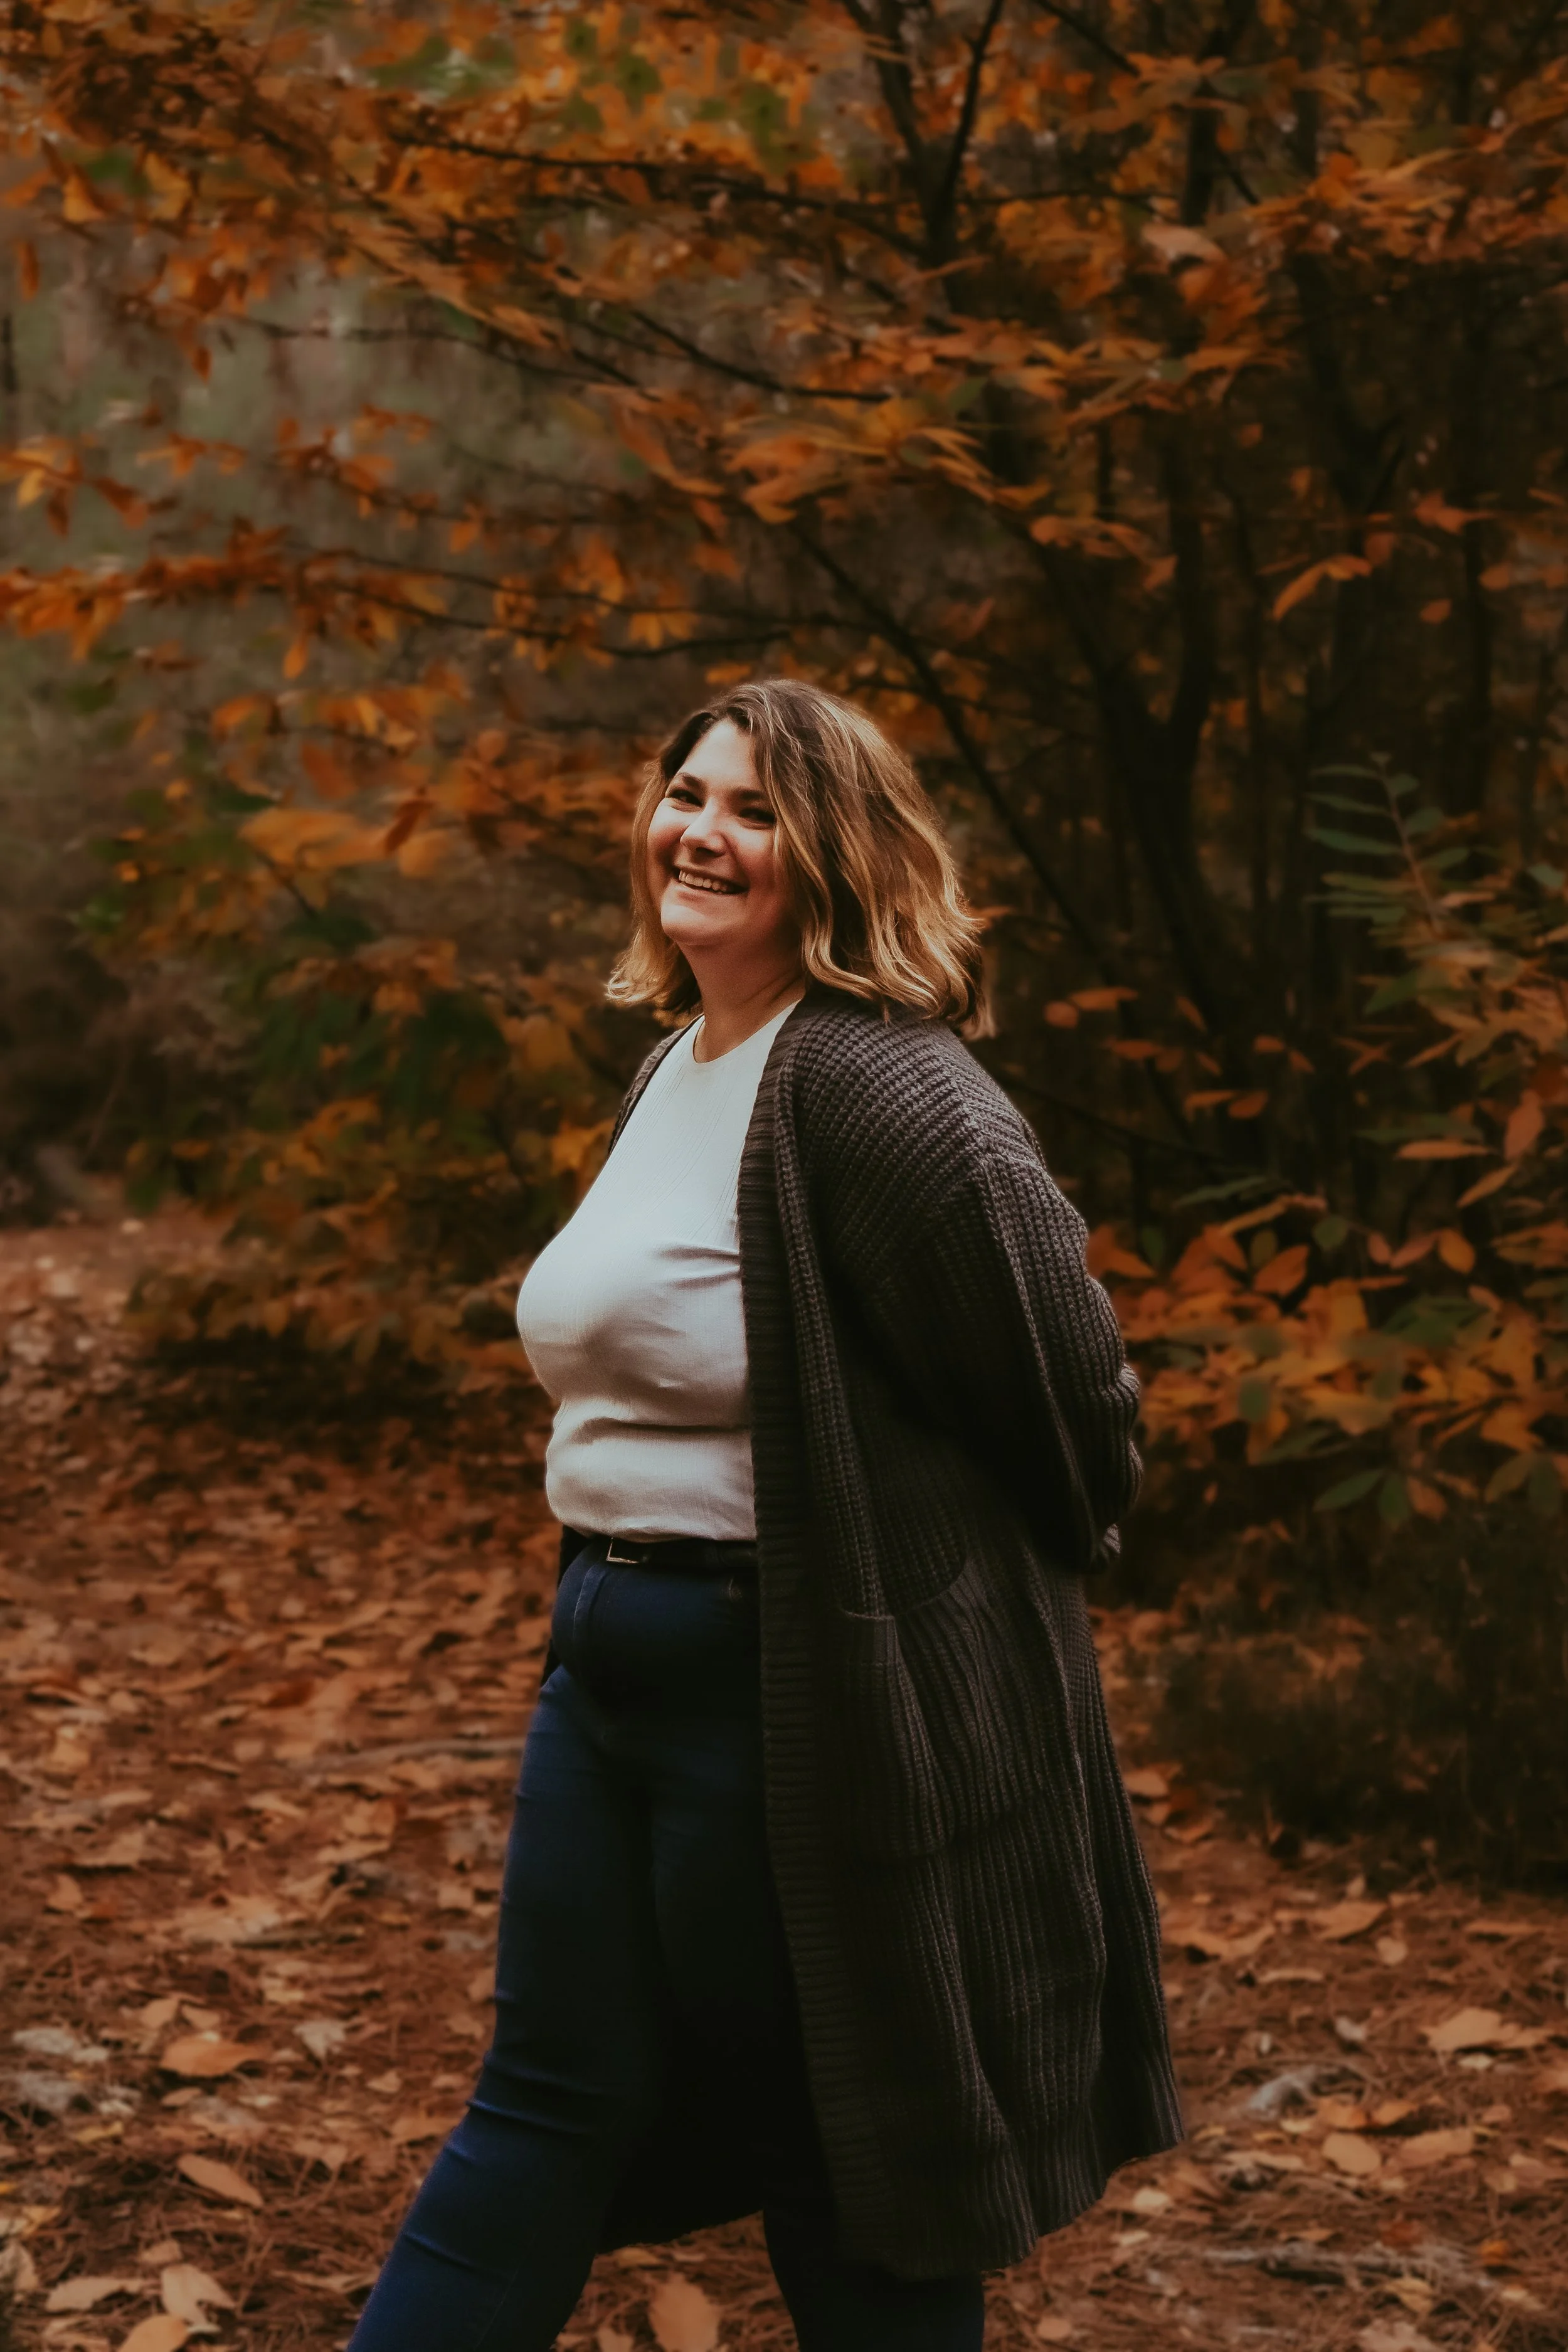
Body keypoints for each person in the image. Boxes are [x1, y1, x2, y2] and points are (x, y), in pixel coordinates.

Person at [348, 679, 1181, 2352]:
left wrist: (933, 1593)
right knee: (550, 2096)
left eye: (750, 809)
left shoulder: (878, 1087)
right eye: (684, 792)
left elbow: (1071, 1397)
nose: (699, 830)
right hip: (604, 1668)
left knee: (831, 2142)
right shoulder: (684, 1058)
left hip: (772, 1683)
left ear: (836, 856)